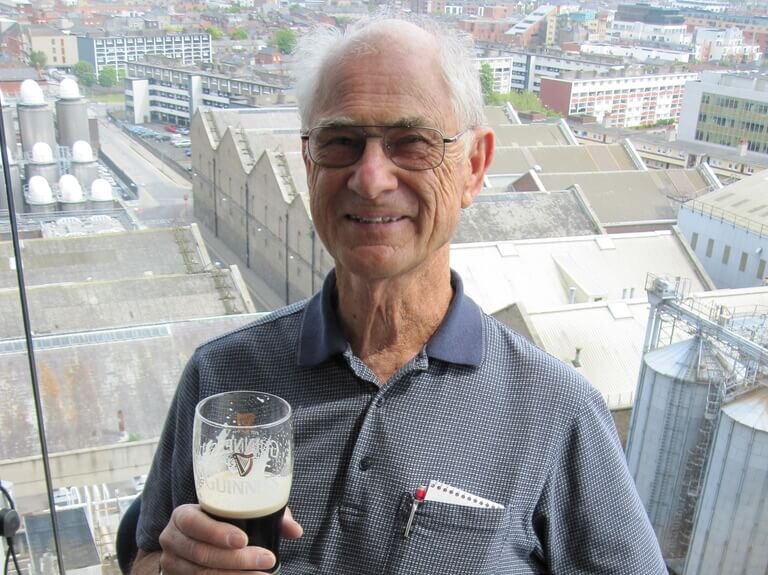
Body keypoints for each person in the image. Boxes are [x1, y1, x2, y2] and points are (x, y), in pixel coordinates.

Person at [132, 15, 667, 575]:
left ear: (474, 167)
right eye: (341, 142)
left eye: (411, 143)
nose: (371, 179)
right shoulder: (221, 374)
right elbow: (147, 551)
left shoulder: (555, 409)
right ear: (309, 161)